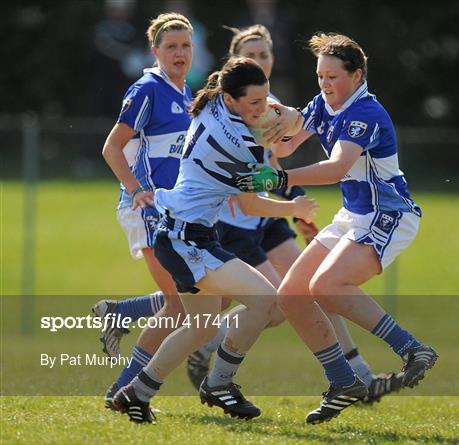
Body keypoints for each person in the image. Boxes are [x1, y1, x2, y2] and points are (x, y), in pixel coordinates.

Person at [187, 24, 402, 406]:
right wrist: (290, 200)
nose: (260, 61)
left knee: (307, 290)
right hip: (239, 221)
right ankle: (204, 349)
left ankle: (360, 378)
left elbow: (276, 164)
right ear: (235, 64)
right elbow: (257, 179)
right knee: (261, 305)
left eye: (265, 54)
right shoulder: (233, 111)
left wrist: (297, 205)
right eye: (251, 56)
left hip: (268, 219)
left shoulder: (272, 106)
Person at [236, 33, 438, 424]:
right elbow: (284, 148)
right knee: (292, 295)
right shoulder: (324, 104)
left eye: (332, 77)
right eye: (320, 77)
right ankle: (344, 382)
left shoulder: (365, 112)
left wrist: (278, 181)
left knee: (326, 287)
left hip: (388, 215)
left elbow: (336, 168)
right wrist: (268, 121)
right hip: (352, 215)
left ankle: (414, 350)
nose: (325, 84)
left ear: (357, 75)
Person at [112, 56, 318, 423]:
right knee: (266, 299)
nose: (262, 109)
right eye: (254, 103)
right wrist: (295, 207)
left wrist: (281, 112)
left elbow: (272, 118)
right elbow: (251, 204)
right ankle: (220, 383)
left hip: (181, 233)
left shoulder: (211, 104)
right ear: (231, 99)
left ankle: (136, 394)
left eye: (264, 99)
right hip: (186, 239)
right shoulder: (240, 143)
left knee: (201, 327)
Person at [94, 12, 195, 412]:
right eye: (171, 46)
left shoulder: (187, 95)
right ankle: (128, 390)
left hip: (175, 211)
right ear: (155, 51)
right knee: (181, 304)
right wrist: (138, 192)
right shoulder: (148, 89)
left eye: (186, 45)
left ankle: (123, 320)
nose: (180, 52)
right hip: (146, 210)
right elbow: (111, 147)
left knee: (199, 301)